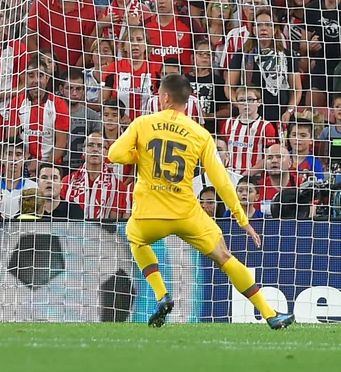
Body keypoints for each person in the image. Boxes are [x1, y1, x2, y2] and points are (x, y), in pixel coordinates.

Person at [108, 73, 294, 329]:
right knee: (224, 256)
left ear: (164, 97)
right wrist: (242, 219)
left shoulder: (143, 124)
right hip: (187, 213)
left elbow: (115, 154)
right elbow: (221, 180)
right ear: (188, 100)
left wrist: (138, 153)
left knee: (134, 237)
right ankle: (271, 314)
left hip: (149, 214)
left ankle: (162, 294)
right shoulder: (200, 133)